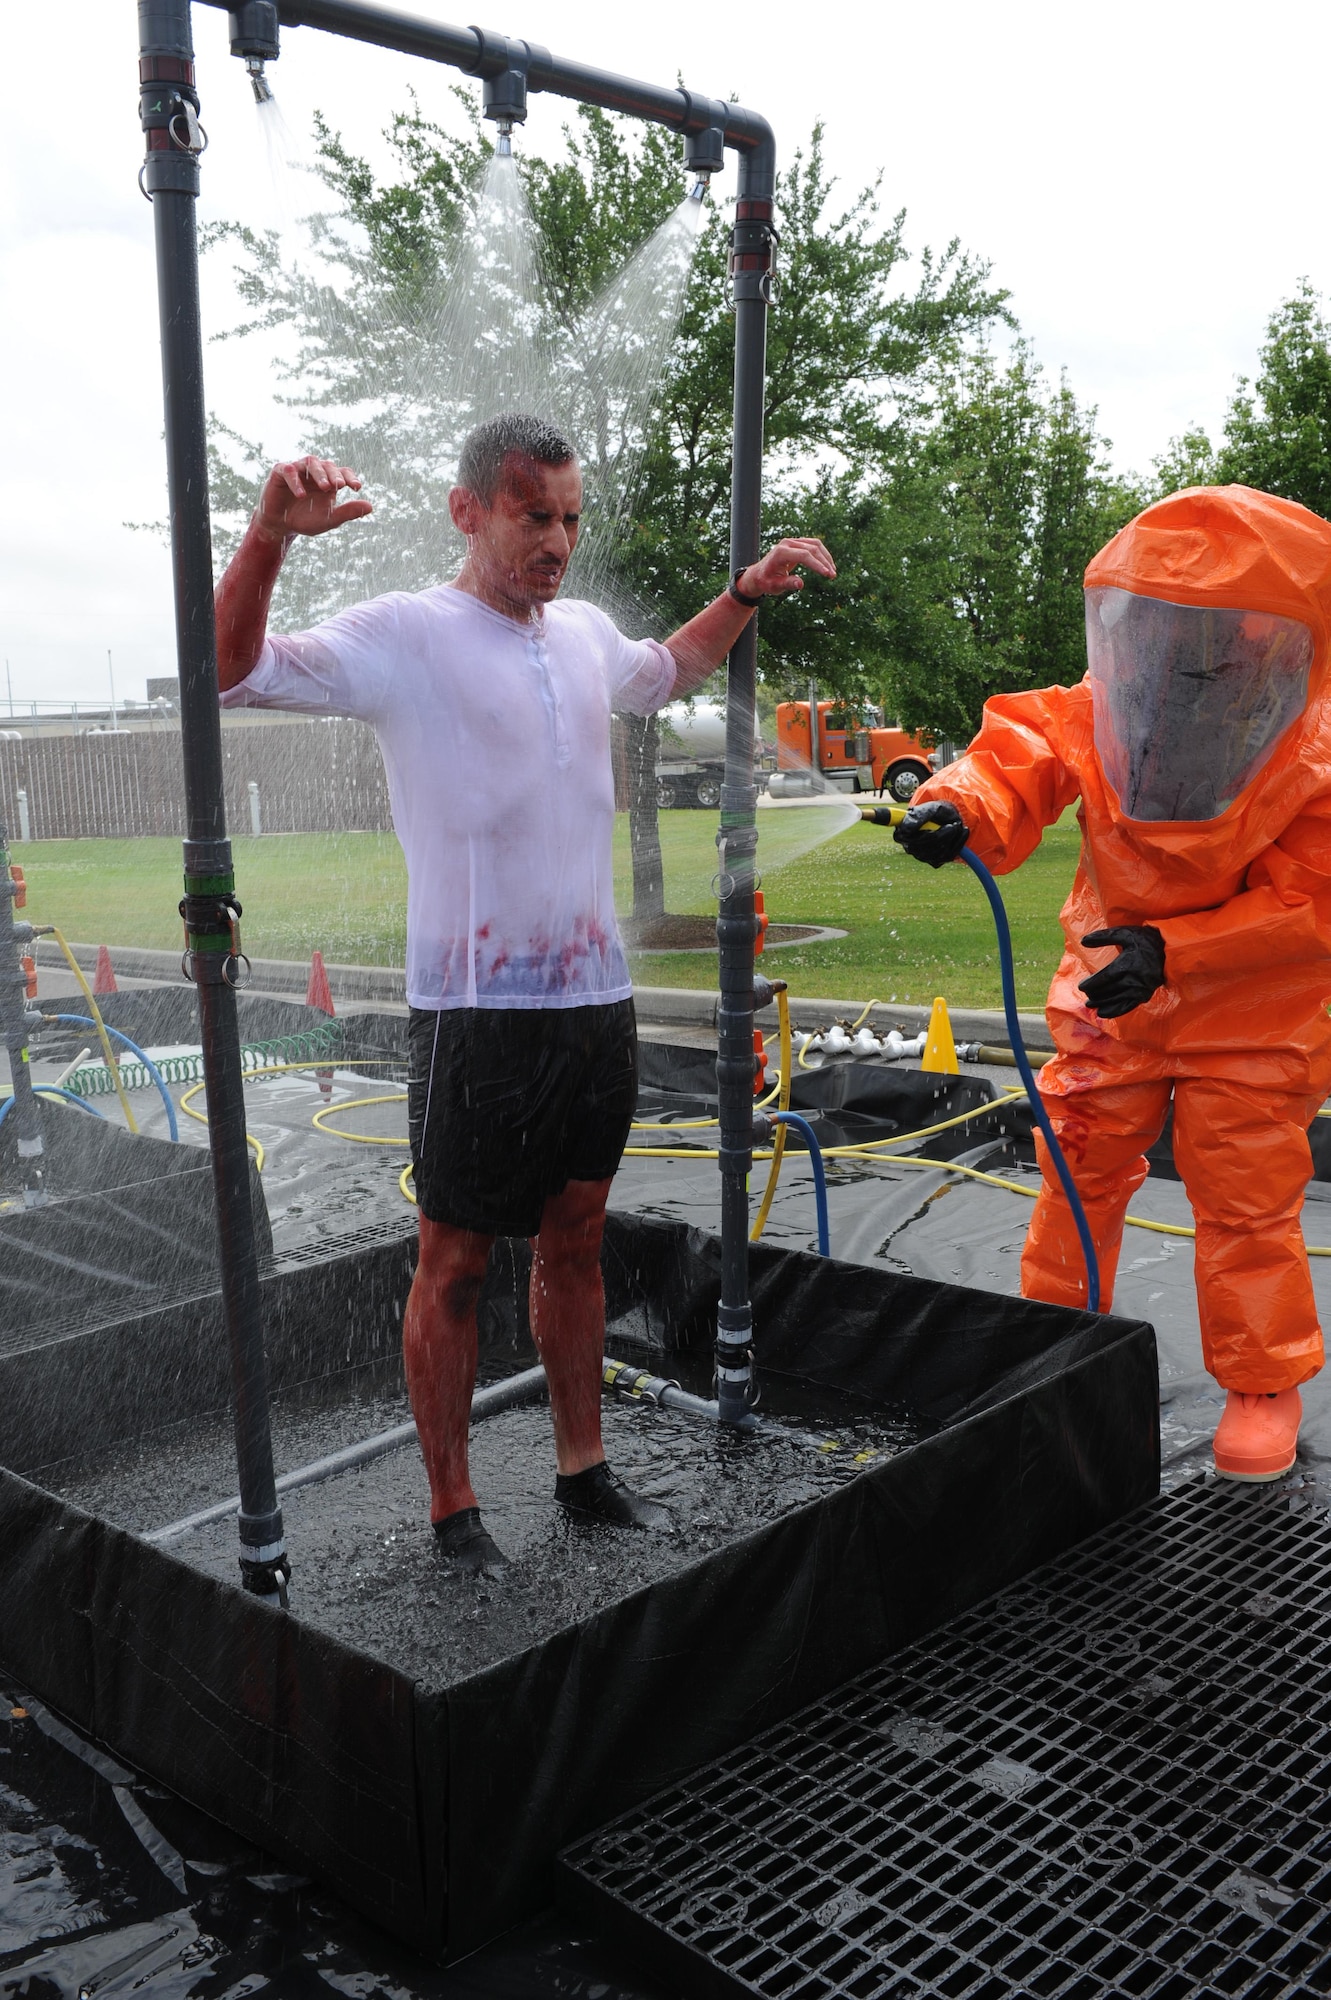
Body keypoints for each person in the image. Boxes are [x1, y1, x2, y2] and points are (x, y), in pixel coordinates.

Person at [214, 413, 836, 1570]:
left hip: (593, 1003)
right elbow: (231, 671)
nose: (554, 541)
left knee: (580, 1238)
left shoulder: (585, 633)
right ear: (468, 511)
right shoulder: (407, 633)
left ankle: (581, 1470)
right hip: (470, 1008)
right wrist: (266, 536)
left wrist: (744, 592)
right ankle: (454, 1510)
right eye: (530, 515)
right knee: (453, 1259)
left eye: (568, 518)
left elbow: (666, 670)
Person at [893, 484, 1331, 1483]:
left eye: (1210, 636)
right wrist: (953, 805)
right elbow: (1016, 755)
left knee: (1246, 1196)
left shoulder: (1309, 757)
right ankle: (1050, 1344)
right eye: (1163, 627)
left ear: (1270, 641)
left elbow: (1308, 908)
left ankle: (1260, 1383)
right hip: (1107, 995)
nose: (1182, 656)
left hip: (1247, 1016)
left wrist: (1175, 953)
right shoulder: (1104, 710)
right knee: (1075, 1166)